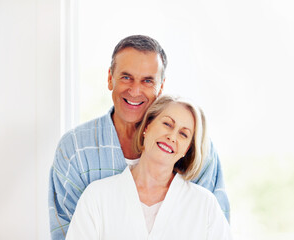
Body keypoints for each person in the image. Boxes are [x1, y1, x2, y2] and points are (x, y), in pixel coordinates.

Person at [49, 35, 230, 239]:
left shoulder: (201, 159)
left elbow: (210, 224)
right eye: (126, 77)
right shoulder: (76, 152)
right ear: (110, 78)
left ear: (161, 87)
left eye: (147, 81)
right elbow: (65, 230)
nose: (135, 91)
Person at [66, 95, 233, 239]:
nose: (172, 136)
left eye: (183, 134)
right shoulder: (97, 197)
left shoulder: (204, 205)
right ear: (147, 126)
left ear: (187, 149)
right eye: (167, 124)